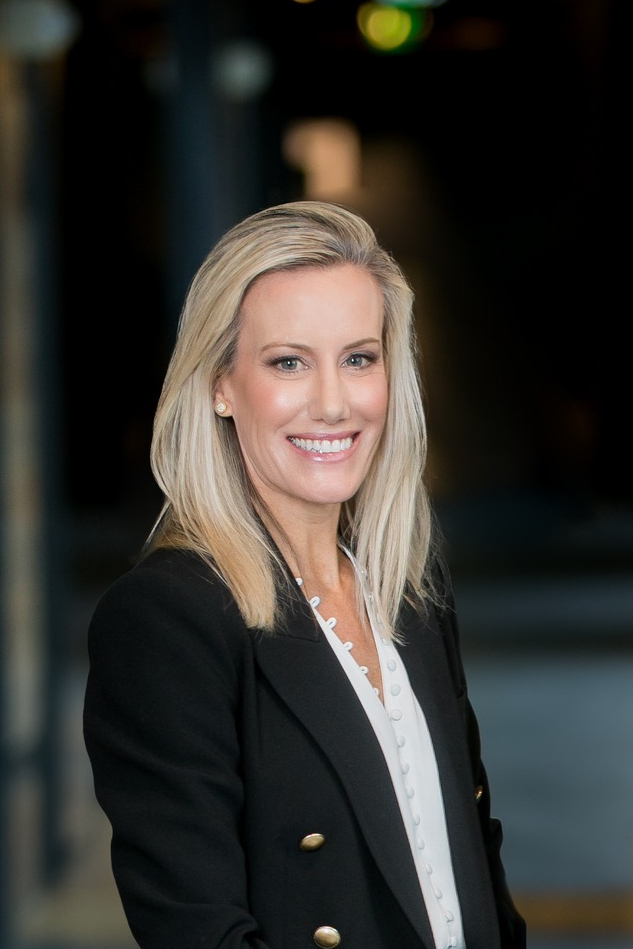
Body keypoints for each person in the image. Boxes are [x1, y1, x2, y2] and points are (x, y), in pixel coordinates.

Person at [83, 200, 526, 949]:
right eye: (288, 362)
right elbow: (198, 931)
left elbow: (473, 874)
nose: (332, 402)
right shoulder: (167, 618)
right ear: (220, 384)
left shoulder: (408, 597)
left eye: (359, 357)